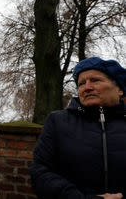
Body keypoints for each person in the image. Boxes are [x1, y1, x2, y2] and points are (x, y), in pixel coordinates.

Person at [30, 57, 126, 198]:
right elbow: (40, 173)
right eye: (81, 83)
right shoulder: (57, 122)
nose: (87, 87)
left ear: (119, 89)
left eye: (95, 80)